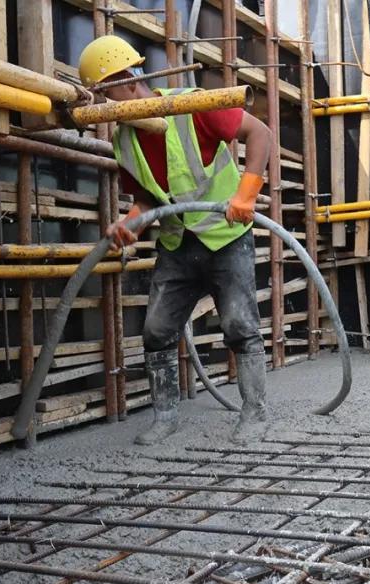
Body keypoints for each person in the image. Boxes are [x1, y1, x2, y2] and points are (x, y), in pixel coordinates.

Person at [78, 36, 273, 445]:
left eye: (104, 93)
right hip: (177, 244)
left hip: (225, 237)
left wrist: (246, 194)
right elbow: (147, 198)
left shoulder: (192, 106)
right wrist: (130, 222)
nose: (103, 107)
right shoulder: (124, 139)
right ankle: (165, 417)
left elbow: (261, 134)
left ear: (130, 80)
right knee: (157, 329)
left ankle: (255, 414)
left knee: (239, 324)